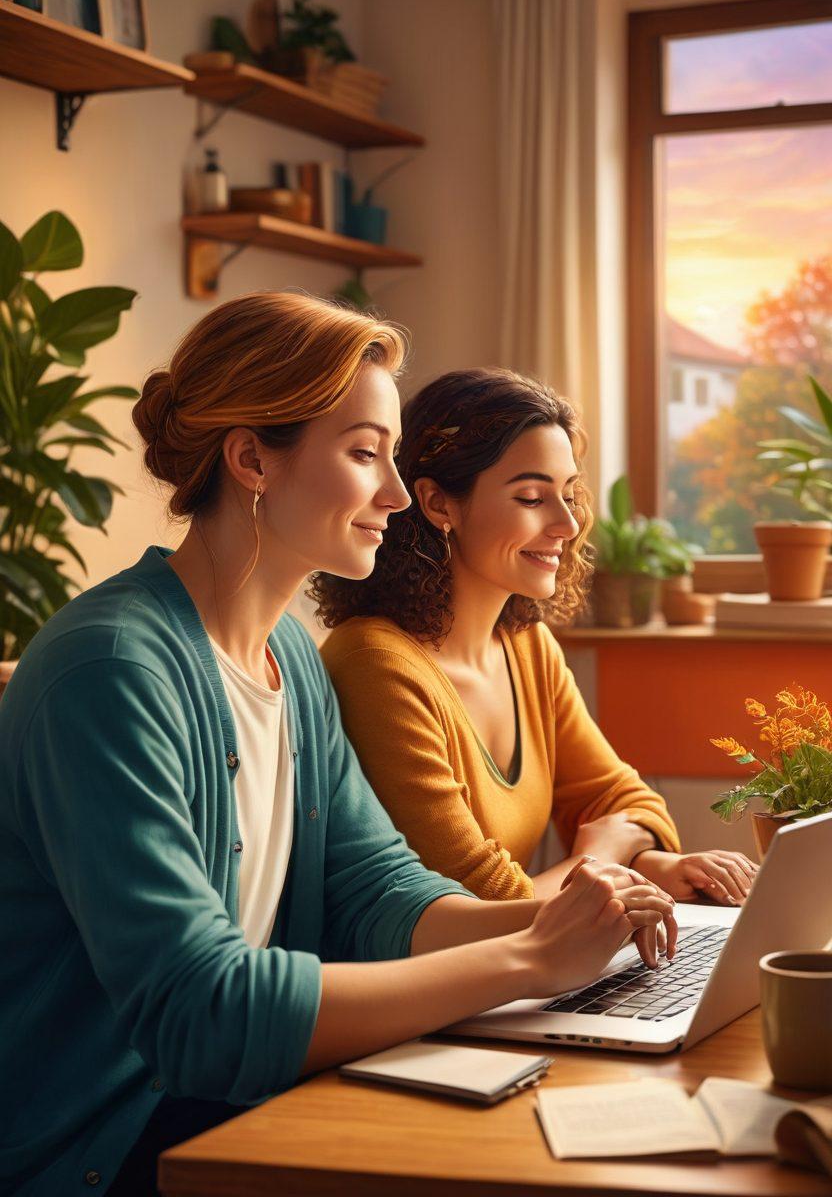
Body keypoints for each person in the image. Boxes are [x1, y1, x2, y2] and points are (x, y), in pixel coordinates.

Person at [0, 296, 676, 1197]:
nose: (397, 494)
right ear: (251, 460)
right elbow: (201, 1013)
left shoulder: (288, 656)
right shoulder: (112, 672)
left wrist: (578, 921)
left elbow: (375, 892)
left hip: (234, 1100)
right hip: (104, 1144)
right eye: (365, 454)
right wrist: (528, 960)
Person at [316, 367, 758, 905]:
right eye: (531, 498)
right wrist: (598, 861)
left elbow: (621, 798)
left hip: (521, 952)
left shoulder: (527, 645)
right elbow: (476, 904)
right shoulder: (376, 666)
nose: (567, 525)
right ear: (437, 504)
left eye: (568, 494)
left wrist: (657, 865)